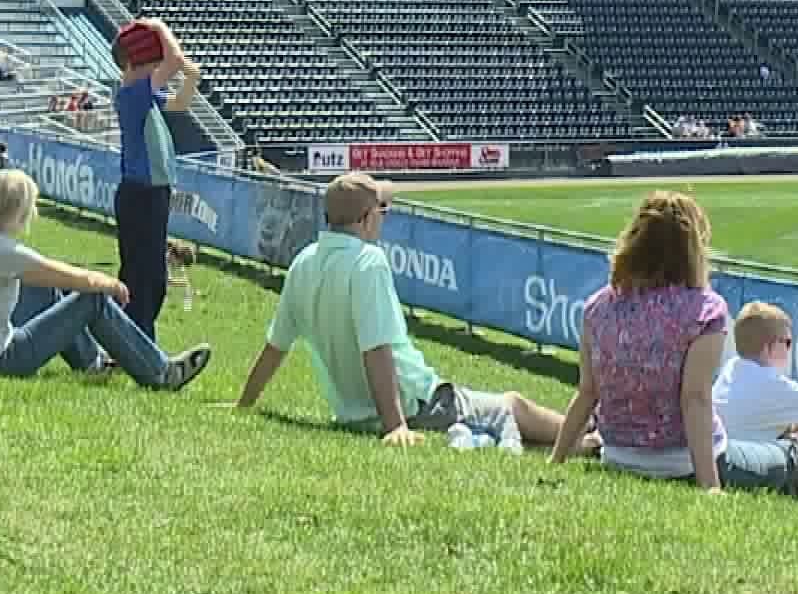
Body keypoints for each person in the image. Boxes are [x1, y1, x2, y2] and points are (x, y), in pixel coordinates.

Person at [236, 172, 593, 450]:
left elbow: (275, 346)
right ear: (366, 218)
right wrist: (395, 425)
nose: (384, 218)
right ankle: (586, 438)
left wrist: (245, 404)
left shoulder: (303, 262)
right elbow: (376, 348)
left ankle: (584, 437)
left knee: (506, 418)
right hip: (418, 404)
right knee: (510, 406)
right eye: (382, 210)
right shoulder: (368, 261)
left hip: (355, 414)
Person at [548, 192, 791, 491]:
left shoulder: (597, 307)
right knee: (784, 458)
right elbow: (695, 398)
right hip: (683, 461)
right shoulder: (705, 310)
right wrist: (710, 487)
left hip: (618, 455)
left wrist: (556, 459)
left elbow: (587, 392)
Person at [0, 170, 211, 387]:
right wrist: (110, 284)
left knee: (43, 290)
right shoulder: (1, 250)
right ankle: (161, 373)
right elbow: (72, 278)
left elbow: (46, 276)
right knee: (93, 299)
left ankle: (92, 363)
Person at [112, 18, 201, 339]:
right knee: (143, 280)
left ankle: (133, 341)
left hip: (152, 195)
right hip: (140, 195)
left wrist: (192, 78)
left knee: (152, 279)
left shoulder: (145, 95)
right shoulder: (131, 94)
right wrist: (160, 27)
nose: (158, 71)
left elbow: (180, 103)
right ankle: (136, 344)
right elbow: (173, 61)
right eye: (152, 65)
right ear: (132, 64)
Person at [713, 301, 798, 441]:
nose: (789, 348)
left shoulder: (731, 366)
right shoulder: (774, 384)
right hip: (742, 452)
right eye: (787, 342)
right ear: (770, 345)